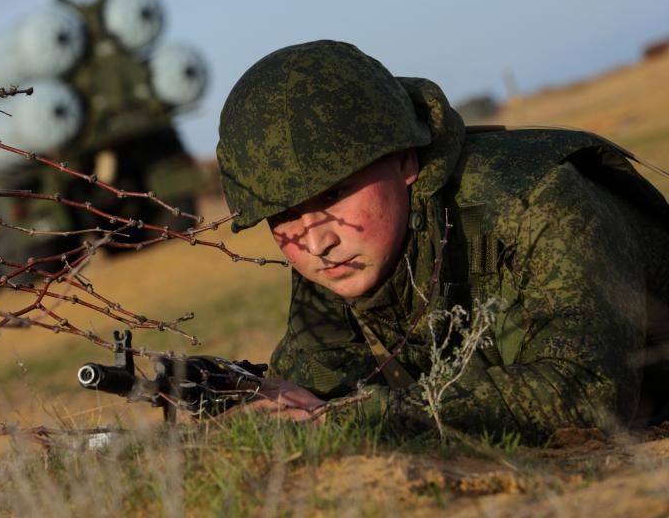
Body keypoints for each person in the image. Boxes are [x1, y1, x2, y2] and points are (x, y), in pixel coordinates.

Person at [216, 40, 669, 442]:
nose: (316, 242)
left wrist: (353, 417)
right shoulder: (348, 255)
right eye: (286, 214)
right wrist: (249, 404)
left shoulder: (533, 200)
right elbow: (317, 384)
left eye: (335, 194)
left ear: (406, 161)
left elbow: (585, 394)